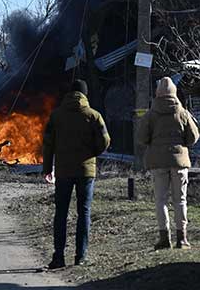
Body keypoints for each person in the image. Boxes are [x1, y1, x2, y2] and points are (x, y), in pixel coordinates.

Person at [42, 79, 111, 269]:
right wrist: (93, 153)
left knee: (61, 214)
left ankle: (58, 257)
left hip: (63, 171)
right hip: (86, 171)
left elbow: (48, 144)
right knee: (84, 213)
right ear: (85, 95)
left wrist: (47, 168)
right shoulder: (94, 115)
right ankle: (80, 256)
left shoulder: (56, 116)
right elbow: (106, 140)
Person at [137, 76, 200, 250]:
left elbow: (141, 138)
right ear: (175, 93)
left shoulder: (151, 114)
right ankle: (182, 238)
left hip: (158, 163)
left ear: (158, 93)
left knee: (161, 201)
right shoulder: (182, 113)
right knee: (180, 200)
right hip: (179, 162)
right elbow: (193, 137)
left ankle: (164, 238)